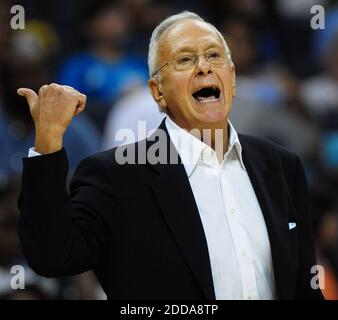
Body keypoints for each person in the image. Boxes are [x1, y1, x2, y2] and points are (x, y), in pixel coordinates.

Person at [17, 11, 323, 300]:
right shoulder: (117, 175)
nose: (204, 67)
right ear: (157, 91)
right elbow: (53, 257)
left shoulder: (280, 165)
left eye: (214, 56)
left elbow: (303, 287)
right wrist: (48, 141)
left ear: (231, 77)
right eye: (185, 59)